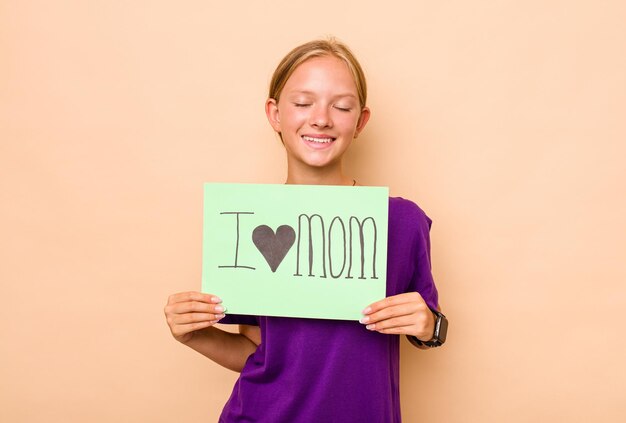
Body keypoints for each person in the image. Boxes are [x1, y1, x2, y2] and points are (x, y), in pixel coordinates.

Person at [164, 38, 445, 422]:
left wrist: (430, 325)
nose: (321, 118)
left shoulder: (402, 222)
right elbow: (256, 350)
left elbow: (429, 326)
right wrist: (194, 334)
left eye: (341, 106)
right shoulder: (250, 221)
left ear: (360, 121)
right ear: (275, 114)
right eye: (302, 103)